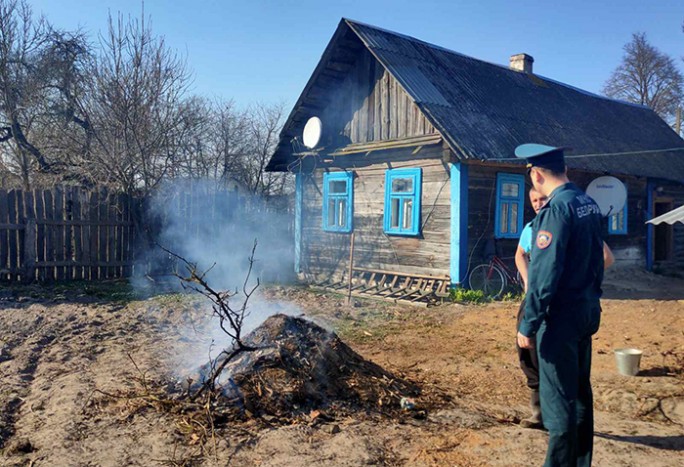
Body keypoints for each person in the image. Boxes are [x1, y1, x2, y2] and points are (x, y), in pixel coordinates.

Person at [515, 143, 604, 467]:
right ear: (563, 170)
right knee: (580, 394)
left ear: (536, 175)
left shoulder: (556, 211)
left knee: (558, 403)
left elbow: (544, 274)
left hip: (560, 319)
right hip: (585, 311)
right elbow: (599, 259)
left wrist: (529, 324)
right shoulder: (588, 204)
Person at [514, 188, 616, 431]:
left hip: (561, 303)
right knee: (527, 351)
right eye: (534, 200)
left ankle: (561, 423)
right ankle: (539, 412)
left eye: (542, 199)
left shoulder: (563, 221)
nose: (538, 203)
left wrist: (576, 277)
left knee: (559, 359)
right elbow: (519, 254)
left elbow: (607, 256)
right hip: (536, 297)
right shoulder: (531, 227)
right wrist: (528, 281)